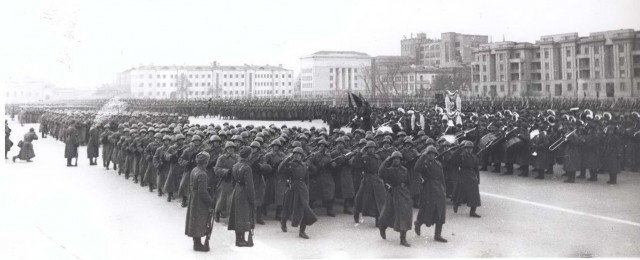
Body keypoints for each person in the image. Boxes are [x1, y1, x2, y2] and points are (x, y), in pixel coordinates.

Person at [279, 147, 317, 239]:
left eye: (299, 154)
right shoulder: (290, 164)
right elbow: (280, 170)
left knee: (304, 208)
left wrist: (306, 189)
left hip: (302, 188)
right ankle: (283, 222)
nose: (297, 156)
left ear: (301, 156)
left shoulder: (304, 165)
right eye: (295, 154)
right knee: (287, 207)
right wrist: (288, 158)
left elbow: (307, 179)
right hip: (292, 188)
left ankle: (302, 231)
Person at [378, 151, 413, 247]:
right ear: (392, 160)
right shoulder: (389, 170)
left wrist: (409, 194)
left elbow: (408, 182)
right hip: (393, 193)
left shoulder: (405, 170)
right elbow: (380, 174)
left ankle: (403, 239)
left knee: (404, 215)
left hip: (403, 193)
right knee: (388, 213)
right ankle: (382, 226)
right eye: (394, 159)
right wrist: (386, 160)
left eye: (398, 159)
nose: (396, 160)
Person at [413, 146, 448, 243]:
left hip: (439, 189)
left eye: (433, 154)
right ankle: (418, 223)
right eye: (429, 154)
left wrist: (444, 189)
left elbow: (442, 177)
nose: (431, 156)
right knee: (426, 209)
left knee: (440, 211)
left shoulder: (438, 164)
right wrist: (423, 156)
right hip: (428, 189)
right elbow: (416, 168)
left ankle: (438, 235)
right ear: (427, 155)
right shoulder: (424, 164)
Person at [185, 151, 214, 252]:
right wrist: (211, 202)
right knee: (200, 220)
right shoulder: (203, 174)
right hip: (200, 200)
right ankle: (197, 244)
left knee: (195, 220)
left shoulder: (195, 169)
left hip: (194, 197)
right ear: (206, 162)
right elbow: (203, 192)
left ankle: (196, 241)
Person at [228, 146, 256, 247]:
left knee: (237, 215)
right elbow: (250, 185)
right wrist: (252, 199)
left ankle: (238, 239)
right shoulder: (247, 168)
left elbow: (232, 181)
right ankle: (241, 240)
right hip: (244, 192)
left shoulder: (235, 165)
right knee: (244, 215)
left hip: (236, 190)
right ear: (248, 156)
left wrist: (236, 189)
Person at [452, 141, 481, 218]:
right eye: (467, 148)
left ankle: (472, 212)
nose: (469, 150)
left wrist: (478, 179)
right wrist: (458, 149)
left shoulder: (474, 157)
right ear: (465, 149)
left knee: (475, 195)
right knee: (460, 193)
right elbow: (454, 159)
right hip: (463, 175)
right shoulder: (461, 156)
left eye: (471, 148)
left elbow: (476, 169)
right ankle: (456, 204)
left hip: (472, 175)